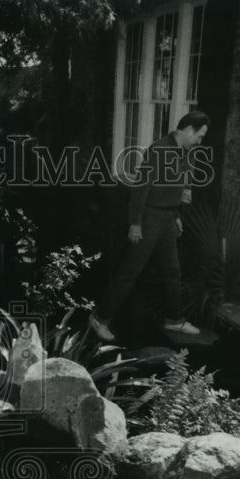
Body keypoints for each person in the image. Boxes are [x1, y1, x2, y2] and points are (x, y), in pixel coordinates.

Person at [90, 110, 210, 341]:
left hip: (167, 220)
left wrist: (176, 215)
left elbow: (176, 188)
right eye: (200, 136)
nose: (199, 141)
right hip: (150, 219)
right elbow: (140, 188)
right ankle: (99, 318)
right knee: (131, 270)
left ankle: (174, 320)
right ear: (188, 130)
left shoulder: (184, 152)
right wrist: (135, 223)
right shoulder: (159, 150)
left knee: (172, 270)